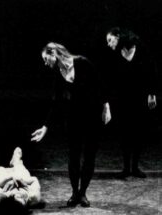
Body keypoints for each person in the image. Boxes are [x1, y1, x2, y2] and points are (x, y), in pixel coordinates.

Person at [31, 42, 110, 207]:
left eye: (46, 59)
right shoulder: (57, 73)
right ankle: (75, 193)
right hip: (73, 118)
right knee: (73, 157)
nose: (46, 63)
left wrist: (106, 106)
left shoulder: (82, 62)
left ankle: (83, 193)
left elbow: (100, 84)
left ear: (54, 54)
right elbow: (56, 102)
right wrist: (45, 127)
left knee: (89, 156)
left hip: (92, 116)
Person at [104, 27, 157, 179]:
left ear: (118, 37)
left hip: (139, 97)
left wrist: (152, 94)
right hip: (121, 99)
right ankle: (126, 167)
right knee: (124, 133)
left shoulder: (140, 49)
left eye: (110, 40)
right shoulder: (115, 54)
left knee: (138, 132)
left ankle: (135, 167)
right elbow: (109, 77)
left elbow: (151, 71)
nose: (109, 44)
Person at [0, 147, 41, 213]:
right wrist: (22, 181)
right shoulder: (34, 197)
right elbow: (34, 180)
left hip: (6, 181)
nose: (19, 194)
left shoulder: (1, 199)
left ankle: (9, 163)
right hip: (23, 177)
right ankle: (16, 162)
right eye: (23, 198)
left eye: (17, 197)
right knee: (20, 171)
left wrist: (10, 178)